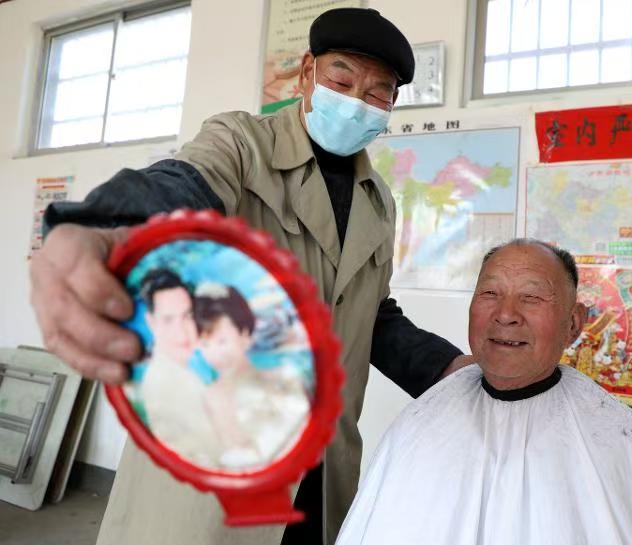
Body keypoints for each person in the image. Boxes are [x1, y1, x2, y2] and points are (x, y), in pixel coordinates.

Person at [28, 8, 473, 545]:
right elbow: (184, 185)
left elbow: (368, 315)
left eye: (378, 94)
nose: (357, 102)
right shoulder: (241, 145)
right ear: (306, 73)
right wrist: (108, 223)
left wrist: (449, 369)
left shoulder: (378, 201)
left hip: (321, 468)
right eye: (342, 81)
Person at [335, 239, 632, 545]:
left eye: (531, 297)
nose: (506, 314)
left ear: (573, 323)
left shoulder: (627, 443)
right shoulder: (416, 426)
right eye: (490, 293)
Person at [192, 282, 310, 471]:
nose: (216, 353)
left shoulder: (278, 380)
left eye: (222, 341)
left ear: (245, 334)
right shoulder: (208, 396)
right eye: (205, 344)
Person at [137, 269, 222, 467]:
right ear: (151, 322)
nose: (182, 331)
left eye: (187, 316)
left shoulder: (185, 372)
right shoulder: (165, 383)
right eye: (168, 320)